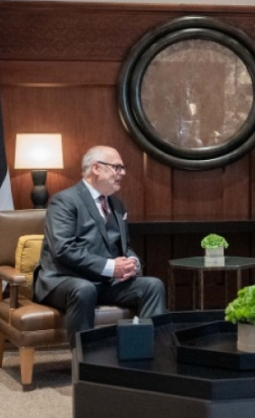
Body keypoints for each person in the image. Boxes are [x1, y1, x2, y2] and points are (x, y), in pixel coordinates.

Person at [34, 145, 166, 339]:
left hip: (104, 282)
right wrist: (111, 267)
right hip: (64, 279)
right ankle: (84, 356)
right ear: (96, 168)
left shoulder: (117, 205)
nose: (122, 173)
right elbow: (63, 249)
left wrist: (132, 262)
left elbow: (124, 246)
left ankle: (145, 349)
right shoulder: (64, 201)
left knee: (153, 286)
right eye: (117, 167)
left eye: (123, 168)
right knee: (84, 289)